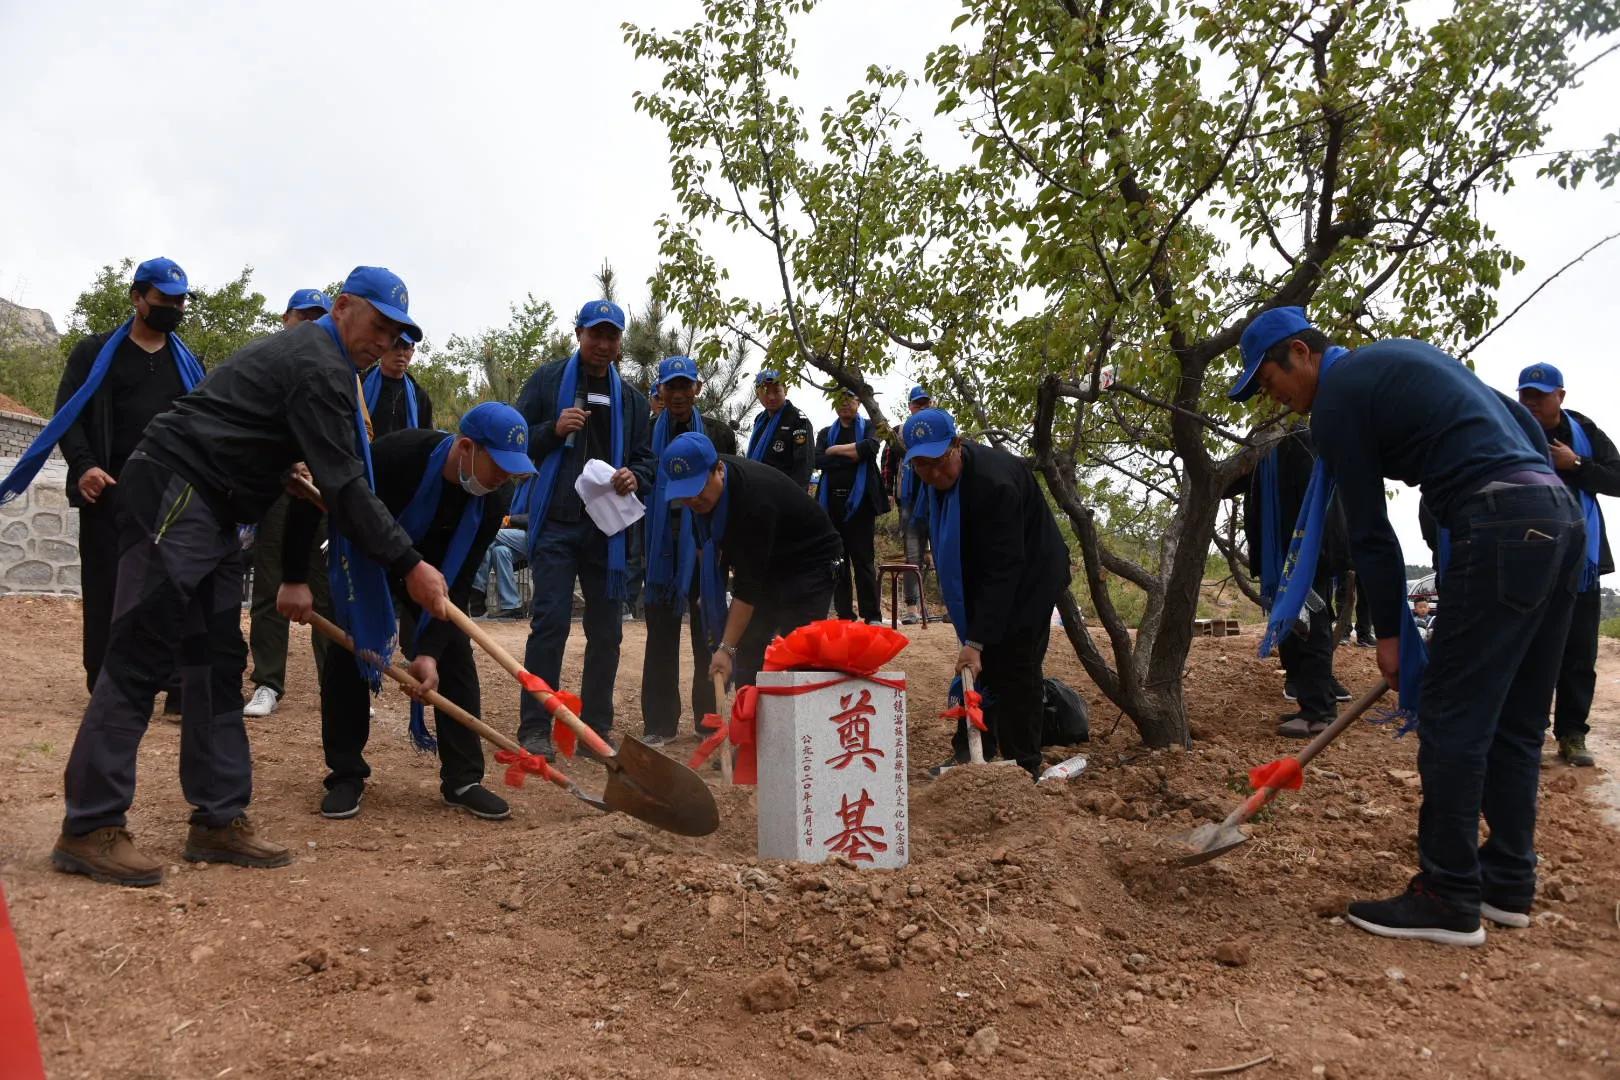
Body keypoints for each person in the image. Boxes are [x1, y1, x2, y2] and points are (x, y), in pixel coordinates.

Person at [48, 266, 449, 888]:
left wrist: (276, 467)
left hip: (218, 507)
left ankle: (218, 818)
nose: (383, 341)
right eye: (378, 325)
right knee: (140, 652)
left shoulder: (326, 364)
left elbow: (267, 437)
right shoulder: (318, 363)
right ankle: (90, 826)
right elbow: (345, 485)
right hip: (177, 490)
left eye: (396, 334)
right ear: (343, 306)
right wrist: (409, 563)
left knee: (216, 660)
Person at [1229, 306, 1583, 946]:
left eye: (1268, 380)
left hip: (1499, 521)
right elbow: (1520, 422)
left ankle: (1448, 895)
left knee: (1451, 714)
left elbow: (1370, 530)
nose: (1270, 397)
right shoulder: (1398, 360)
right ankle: (1506, 882)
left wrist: (1391, 638)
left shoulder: (1338, 399)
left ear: (1301, 353)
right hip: (1557, 518)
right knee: (1517, 717)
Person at [278, 403, 535, 820]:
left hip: (434, 576)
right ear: (466, 448)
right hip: (368, 560)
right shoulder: (398, 456)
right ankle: (346, 774)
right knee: (349, 650)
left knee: (455, 654)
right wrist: (293, 578)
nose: (505, 478)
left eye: (513, 470)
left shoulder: (493, 498)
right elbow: (317, 492)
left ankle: (463, 779)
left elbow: (461, 578)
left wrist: (428, 652)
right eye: (500, 466)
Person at [0, 258, 205, 698]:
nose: (174, 308)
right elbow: (68, 416)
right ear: (137, 298)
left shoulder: (189, 365)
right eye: (164, 299)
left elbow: (201, 426)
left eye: (180, 301)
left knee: (171, 590)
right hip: (108, 492)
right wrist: (84, 466)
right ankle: (108, 682)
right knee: (107, 591)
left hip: (167, 496)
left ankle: (175, 685)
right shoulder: (93, 354)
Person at [514, 300, 654, 758]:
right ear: (578, 334)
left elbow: (645, 459)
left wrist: (635, 476)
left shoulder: (632, 400)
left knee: (607, 632)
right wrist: (553, 430)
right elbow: (517, 440)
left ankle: (595, 730)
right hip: (556, 523)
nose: (604, 344)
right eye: (596, 334)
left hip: (606, 533)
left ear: (620, 343)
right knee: (550, 624)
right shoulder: (547, 381)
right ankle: (536, 727)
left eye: (612, 336)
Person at [902, 408, 1071, 778]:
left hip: (1032, 573)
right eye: (922, 466)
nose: (933, 474)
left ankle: (1024, 765)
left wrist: (976, 640)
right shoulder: (933, 480)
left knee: (1015, 661)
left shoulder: (995, 485)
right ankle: (971, 755)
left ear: (957, 445)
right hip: (986, 570)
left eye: (939, 462)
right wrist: (976, 639)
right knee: (982, 665)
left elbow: (1004, 568)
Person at [660, 432, 843, 690]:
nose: (693, 500)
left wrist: (725, 649)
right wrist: (708, 593)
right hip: (770, 560)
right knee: (748, 645)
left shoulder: (753, 500)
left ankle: (801, 712)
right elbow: (704, 547)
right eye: (684, 494)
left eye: (698, 489)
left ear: (719, 470)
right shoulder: (703, 500)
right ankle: (750, 712)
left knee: (798, 650)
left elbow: (748, 588)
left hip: (811, 562)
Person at [243, 288, 340, 720]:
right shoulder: (265, 363)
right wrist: (286, 461)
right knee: (270, 588)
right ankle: (267, 682)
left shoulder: (332, 369)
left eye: (318, 318)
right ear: (286, 318)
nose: (310, 325)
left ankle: (335, 684)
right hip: (276, 492)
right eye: (304, 316)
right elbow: (249, 426)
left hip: (321, 494)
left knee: (326, 591)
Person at [1516, 363, 1616, 767]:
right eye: (1526, 394)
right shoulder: (1510, 428)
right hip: (1526, 557)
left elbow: (1617, 478)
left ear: (1560, 396)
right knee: (1529, 650)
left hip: (1582, 560)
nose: (1532, 402)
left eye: (1540, 395)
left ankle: (1573, 734)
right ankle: (1528, 732)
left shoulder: (1584, 431)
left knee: (1578, 652)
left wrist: (1575, 465)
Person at [1223, 424, 1351, 737]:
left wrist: (1306, 556)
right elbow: (1226, 483)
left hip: (1307, 556)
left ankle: (1320, 712)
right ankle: (1308, 702)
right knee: (1294, 628)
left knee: (1312, 628)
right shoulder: (1266, 447)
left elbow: (1317, 504)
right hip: (1283, 557)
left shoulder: (1304, 441)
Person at [640, 356, 738, 746]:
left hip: (704, 544)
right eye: (671, 387)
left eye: (685, 386)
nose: (679, 394)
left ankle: (708, 719)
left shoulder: (718, 434)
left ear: (698, 388)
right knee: (660, 636)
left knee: (707, 631)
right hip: (659, 546)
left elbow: (729, 489)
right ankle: (659, 723)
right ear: (660, 390)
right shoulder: (645, 433)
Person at [815, 392, 889, 624]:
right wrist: (853, 454)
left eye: (850, 399)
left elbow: (870, 448)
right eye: (839, 399)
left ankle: (872, 614)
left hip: (861, 505)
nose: (845, 403)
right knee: (838, 561)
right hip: (831, 504)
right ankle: (844, 613)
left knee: (863, 560)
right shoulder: (826, 432)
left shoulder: (869, 426)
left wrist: (834, 450)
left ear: (859, 402)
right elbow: (818, 460)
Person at [893, 385, 935, 623]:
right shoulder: (899, 432)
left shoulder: (937, 429)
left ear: (931, 404)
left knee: (942, 552)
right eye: (917, 404)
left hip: (935, 497)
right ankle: (912, 609)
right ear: (910, 406)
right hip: (908, 499)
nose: (921, 407)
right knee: (912, 556)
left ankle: (951, 607)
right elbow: (888, 464)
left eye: (925, 403)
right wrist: (890, 493)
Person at [745, 370, 815, 488]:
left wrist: (793, 495)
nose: (771, 397)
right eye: (766, 392)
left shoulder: (798, 420)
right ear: (757, 394)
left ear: (785, 391)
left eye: (777, 391)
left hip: (783, 491)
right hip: (756, 488)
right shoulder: (760, 420)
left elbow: (804, 466)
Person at [363, 335, 433, 438]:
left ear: (412, 352)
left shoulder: (420, 397)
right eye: (394, 346)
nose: (400, 353)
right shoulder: (360, 385)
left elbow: (426, 440)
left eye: (406, 348)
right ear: (382, 348)